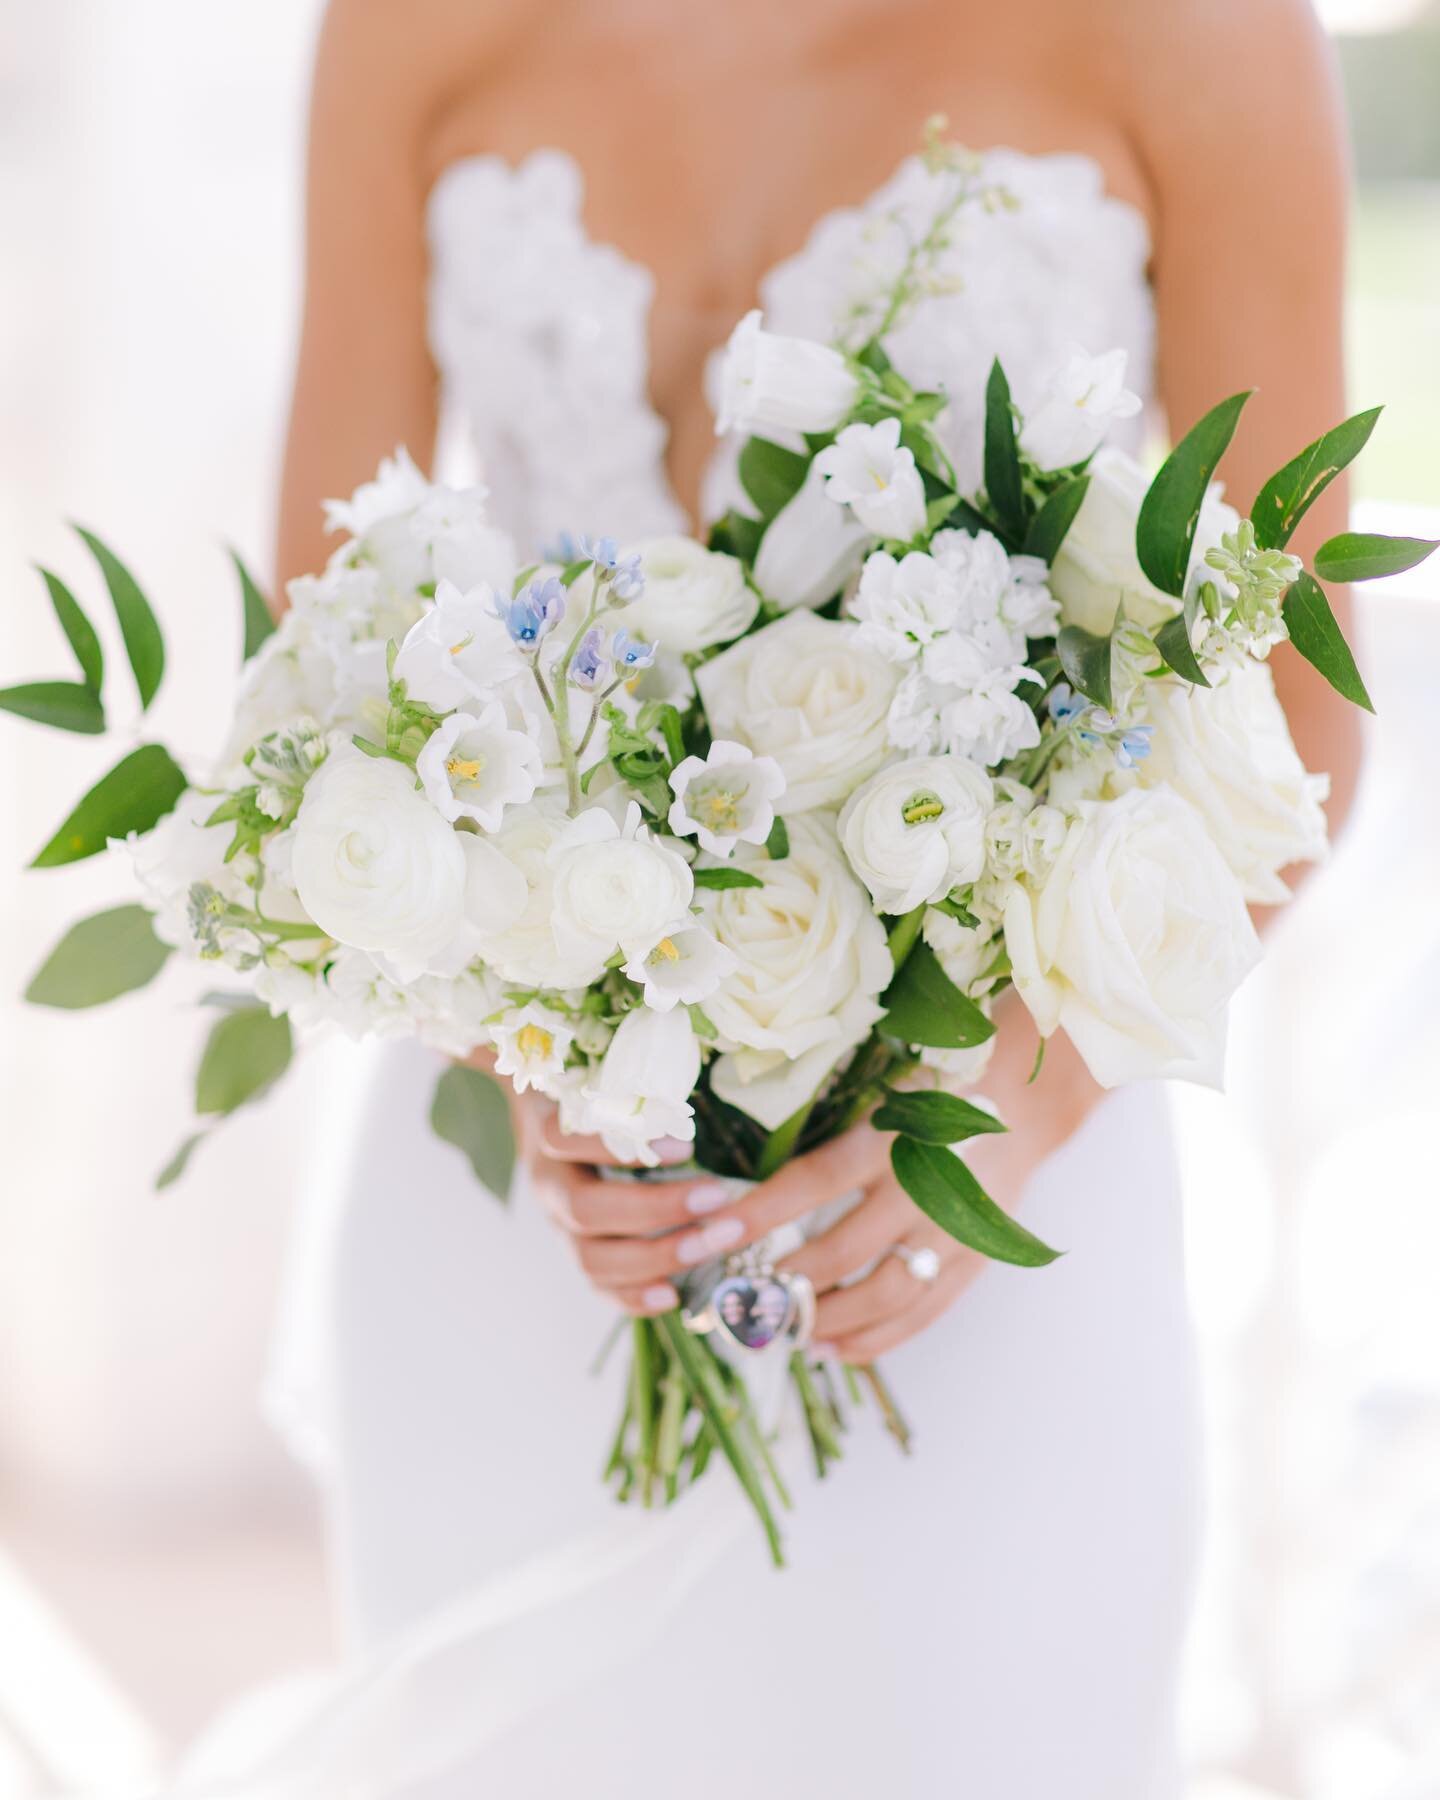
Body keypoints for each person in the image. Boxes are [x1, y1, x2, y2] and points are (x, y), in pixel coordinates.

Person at [265, 1, 1362, 1792]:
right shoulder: (407, 28)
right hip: (525, 1210)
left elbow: (1302, 697)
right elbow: (321, 658)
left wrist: (1024, 1101)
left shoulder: (1204, 32)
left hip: (970, 1225)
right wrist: (512, 1034)